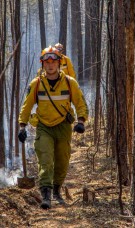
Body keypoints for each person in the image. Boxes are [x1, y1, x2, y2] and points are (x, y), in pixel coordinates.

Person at [18, 46, 88, 209]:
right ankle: (46, 195)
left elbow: (80, 103)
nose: (50, 65)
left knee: (62, 161)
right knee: (46, 159)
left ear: (59, 63)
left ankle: (56, 190)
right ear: (42, 64)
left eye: (53, 62)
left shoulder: (70, 83)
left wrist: (81, 121)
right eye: (47, 62)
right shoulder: (36, 84)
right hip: (43, 127)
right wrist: (22, 126)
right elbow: (26, 106)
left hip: (63, 126)